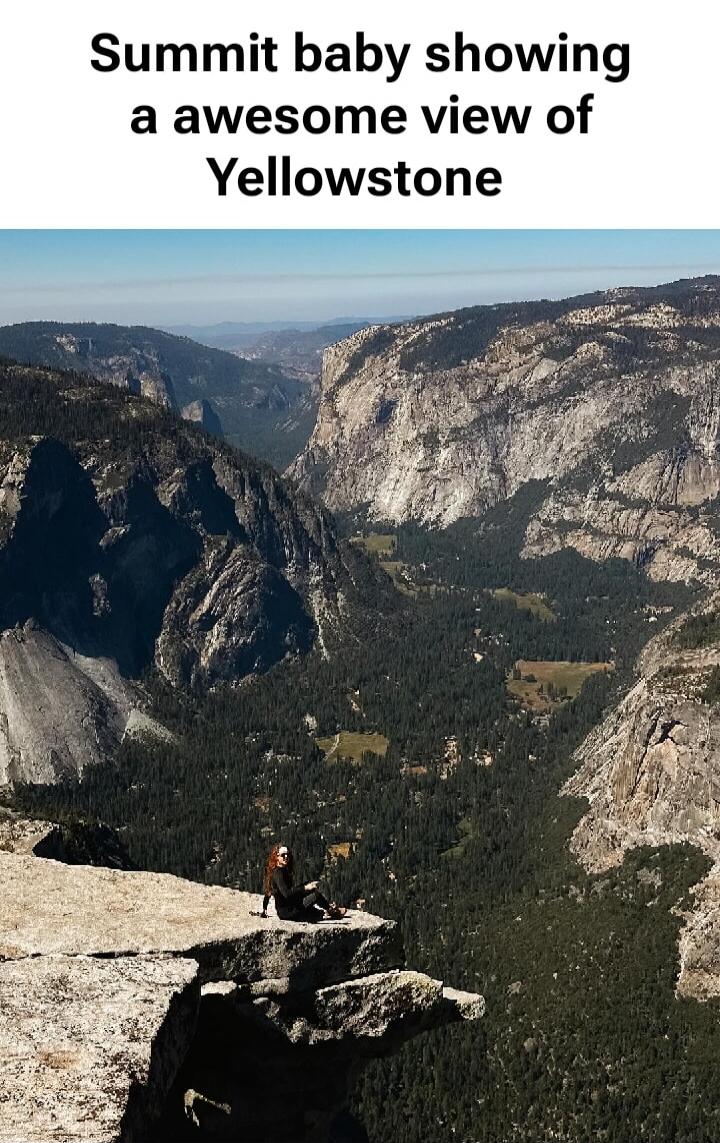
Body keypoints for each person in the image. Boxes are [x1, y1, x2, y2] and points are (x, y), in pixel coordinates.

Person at [261, 843, 346, 922]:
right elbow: (286, 893)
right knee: (316, 895)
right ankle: (332, 912)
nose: (286, 857)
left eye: (288, 855)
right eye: (283, 855)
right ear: (277, 857)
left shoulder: (278, 870)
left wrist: (264, 909)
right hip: (288, 912)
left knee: (310, 890)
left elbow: (268, 891)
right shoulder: (279, 873)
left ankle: (326, 912)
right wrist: (305, 888)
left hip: (288, 908)